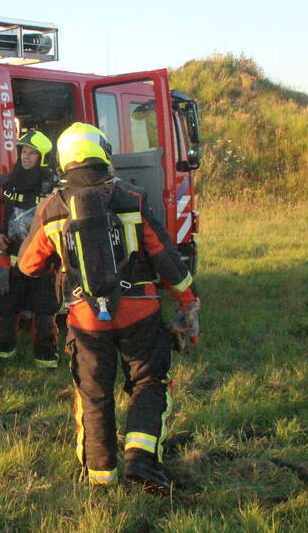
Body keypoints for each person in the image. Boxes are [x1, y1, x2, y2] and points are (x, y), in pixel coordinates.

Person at [17, 123, 199, 494]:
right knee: (148, 382)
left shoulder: (52, 207)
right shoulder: (131, 196)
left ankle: (100, 478)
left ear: (64, 158)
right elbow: (164, 256)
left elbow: (27, 265)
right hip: (140, 311)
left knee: (94, 393)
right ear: (103, 151)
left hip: (85, 318)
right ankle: (142, 461)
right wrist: (188, 299)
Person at [0, 130, 59, 365]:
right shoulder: (5, 182)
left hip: (44, 262)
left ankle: (46, 359)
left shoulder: (54, 186)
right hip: (10, 260)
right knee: (5, 310)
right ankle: (2, 355)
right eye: (23, 151)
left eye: (32, 153)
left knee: (45, 312)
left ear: (43, 156)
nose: (26, 157)